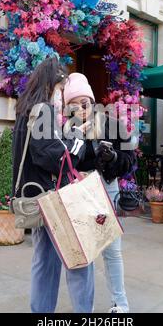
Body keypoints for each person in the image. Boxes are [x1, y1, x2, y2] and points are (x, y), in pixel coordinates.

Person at [12, 58, 94, 313]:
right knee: (80, 259)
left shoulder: (26, 111)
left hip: (38, 199)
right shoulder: (43, 111)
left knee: (44, 261)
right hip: (53, 201)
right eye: (60, 89)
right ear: (51, 86)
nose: (61, 95)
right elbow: (58, 158)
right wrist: (78, 136)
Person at [63, 73, 136, 313]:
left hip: (107, 188)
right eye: (73, 106)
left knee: (112, 252)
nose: (80, 110)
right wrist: (77, 140)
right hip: (80, 193)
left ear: (93, 103)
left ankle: (120, 304)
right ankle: (85, 308)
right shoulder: (66, 131)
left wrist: (113, 158)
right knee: (86, 252)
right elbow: (63, 164)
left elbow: (129, 160)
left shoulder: (112, 124)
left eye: (84, 104)